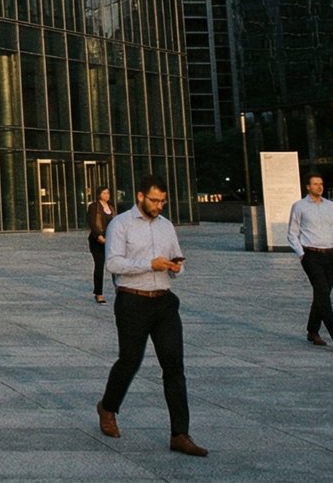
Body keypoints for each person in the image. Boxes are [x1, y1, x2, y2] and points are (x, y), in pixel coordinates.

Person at [95, 173, 207, 457]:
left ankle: (180, 434)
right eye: (154, 200)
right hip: (132, 301)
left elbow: (176, 257)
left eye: (162, 202)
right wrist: (150, 264)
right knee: (130, 360)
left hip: (164, 302)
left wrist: (176, 267)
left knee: (174, 367)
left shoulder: (167, 226)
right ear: (140, 197)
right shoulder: (121, 224)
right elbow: (113, 264)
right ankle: (108, 406)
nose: (158, 206)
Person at [286, 173, 333, 351]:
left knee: (322, 295)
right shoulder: (299, 207)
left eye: (321, 183)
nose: (319, 187)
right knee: (322, 293)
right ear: (307, 187)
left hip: (329, 255)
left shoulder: (331, 206)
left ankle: (312, 331)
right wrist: (300, 253)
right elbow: (292, 233)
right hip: (311, 255)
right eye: (315, 184)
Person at [86, 186, 114, 303]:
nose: (107, 195)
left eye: (108, 193)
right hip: (97, 241)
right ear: (99, 194)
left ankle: (120, 288)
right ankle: (98, 293)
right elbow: (92, 223)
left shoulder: (111, 208)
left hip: (110, 240)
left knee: (115, 265)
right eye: (104, 193)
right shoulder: (94, 206)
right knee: (99, 266)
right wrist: (99, 237)